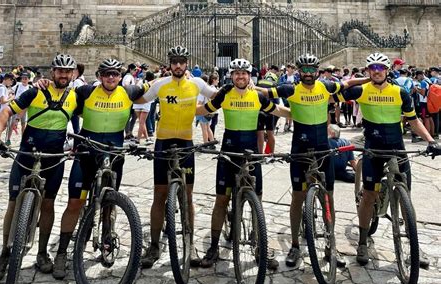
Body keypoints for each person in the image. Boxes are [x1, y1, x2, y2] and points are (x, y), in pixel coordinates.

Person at [257, 53, 369, 268]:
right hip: (299, 149)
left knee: (329, 197)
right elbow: (265, 92)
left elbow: (348, 84)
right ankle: (295, 246)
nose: (308, 74)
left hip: (322, 149)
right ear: (299, 71)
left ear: (317, 71)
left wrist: (369, 79)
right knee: (298, 197)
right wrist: (241, 86)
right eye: (304, 70)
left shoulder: (326, 86)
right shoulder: (290, 88)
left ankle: (331, 245)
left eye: (312, 70)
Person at [334, 52, 441, 265]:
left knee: (406, 197)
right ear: (367, 71)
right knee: (369, 196)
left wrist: (431, 140)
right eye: (372, 68)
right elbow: (335, 92)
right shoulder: (362, 90)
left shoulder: (400, 93)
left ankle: (412, 246)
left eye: (380, 68)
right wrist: (360, 79)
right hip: (373, 149)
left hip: (397, 148)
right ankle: (363, 242)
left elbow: (414, 121)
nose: (376, 71)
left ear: (387, 70)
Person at [51, 58, 148, 279]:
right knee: (75, 202)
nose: (111, 78)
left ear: (120, 76)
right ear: (99, 76)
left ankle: (106, 240)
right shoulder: (85, 92)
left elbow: (157, 87)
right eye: (106, 74)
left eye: (115, 74)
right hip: (87, 151)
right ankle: (61, 252)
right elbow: (61, 93)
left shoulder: (129, 91)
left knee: (109, 202)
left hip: (114, 153)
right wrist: (44, 84)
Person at [0, 54, 79, 281]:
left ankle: (42, 252)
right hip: (27, 152)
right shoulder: (35, 91)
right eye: (59, 71)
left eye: (68, 71)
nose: (63, 75)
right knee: (13, 202)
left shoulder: (76, 97)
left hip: (53, 157)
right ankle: (5, 254)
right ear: (52, 72)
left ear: (73, 74)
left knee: (48, 204)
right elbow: (7, 111)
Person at [196, 58, 291, 269]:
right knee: (221, 199)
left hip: (251, 153)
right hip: (229, 152)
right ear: (231, 76)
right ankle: (213, 247)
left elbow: (277, 111)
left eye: (244, 73)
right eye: (237, 73)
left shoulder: (257, 96)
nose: (240, 76)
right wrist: (180, 109)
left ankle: (260, 247)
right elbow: (205, 109)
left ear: (250, 76)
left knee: (257, 198)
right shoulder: (225, 94)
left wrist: (299, 115)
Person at [139, 45, 218, 269]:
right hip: (163, 144)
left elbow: (217, 95)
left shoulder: (197, 83)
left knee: (188, 196)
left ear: (186, 63)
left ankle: (189, 242)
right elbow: (139, 98)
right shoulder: (161, 84)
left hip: (185, 144)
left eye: (181, 61)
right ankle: (154, 245)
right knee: (159, 194)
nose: (178, 65)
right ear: (170, 63)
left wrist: (247, 85)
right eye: (174, 61)